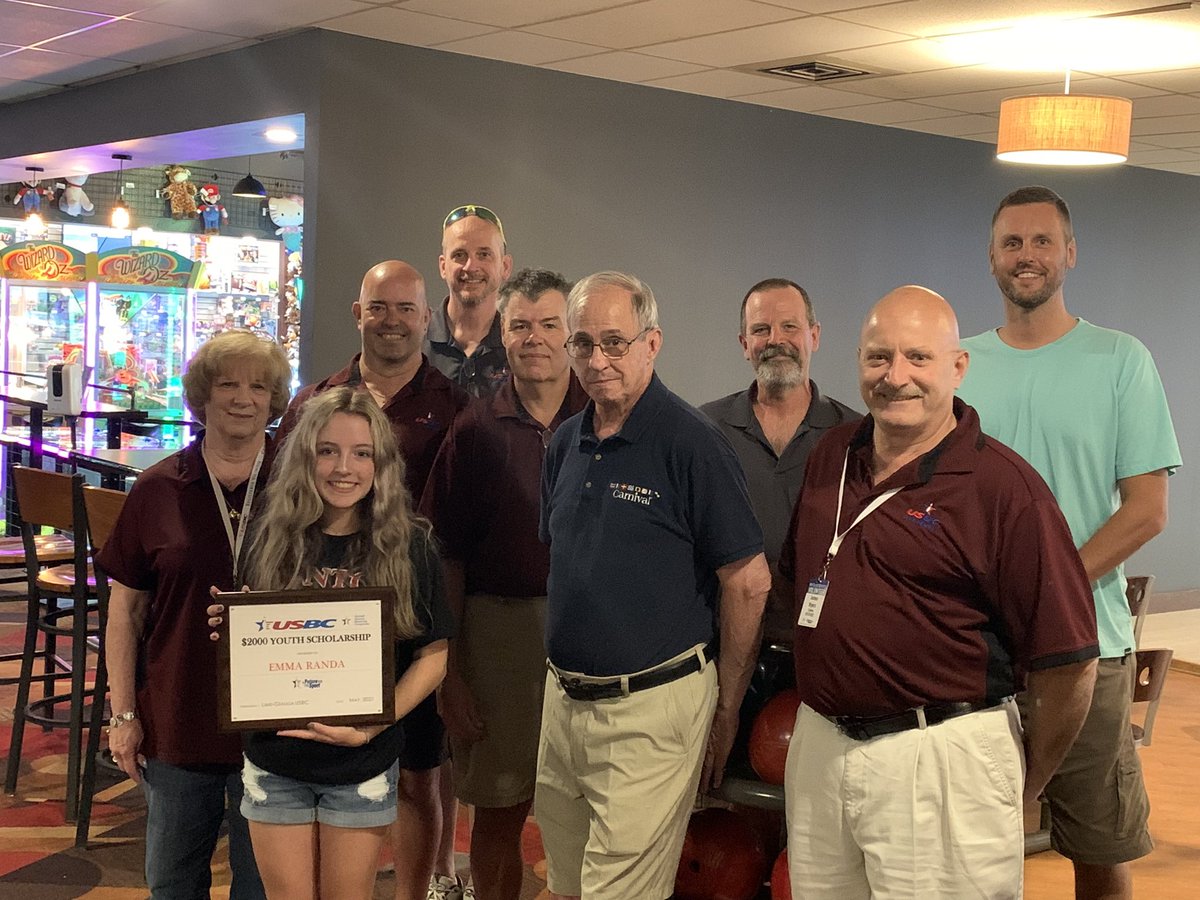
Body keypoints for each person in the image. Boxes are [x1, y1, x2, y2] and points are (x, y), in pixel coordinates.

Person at [780, 285, 1099, 898]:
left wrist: (1022, 783)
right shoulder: (831, 456)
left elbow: (1069, 664)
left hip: (941, 762)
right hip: (820, 749)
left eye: (918, 358)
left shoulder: (1005, 490)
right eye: (878, 357)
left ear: (958, 367)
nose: (895, 376)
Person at [958, 186, 1182, 900]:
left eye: (1042, 241)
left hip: (1090, 648)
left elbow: (1147, 511)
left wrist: (1049, 585)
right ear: (991, 257)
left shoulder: (1121, 360)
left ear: (1070, 254)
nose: (1028, 256)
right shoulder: (953, 364)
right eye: (1013, 243)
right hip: (972, 650)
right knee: (963, 846)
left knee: (1097, 848)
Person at [537, 271, 771, 900]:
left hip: (650, 709)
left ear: (652, 343)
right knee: (564, 883)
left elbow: (748, 581)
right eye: (582, 344)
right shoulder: (566, 443)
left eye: (615, 342)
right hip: (563, 704)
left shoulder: (692, 444)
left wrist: (727, 707)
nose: (597, 360)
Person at [207, 387, 451, 900]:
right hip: (276, 760)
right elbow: (254, 646)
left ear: (381, 464)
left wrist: (371, 728)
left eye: (362, 453)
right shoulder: (265, 537)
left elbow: (433, 658)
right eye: (327, 450)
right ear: (304, 457)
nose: (345, 467)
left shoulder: (411, 544)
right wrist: (233, 631)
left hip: (360, 764)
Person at [275, 260, 468, 900]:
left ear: (426, 317)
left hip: (412, 622)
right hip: (316, 642)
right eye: (378, 308)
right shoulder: (315, 400)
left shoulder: (455, 408)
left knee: (419, 777)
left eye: (406, 309)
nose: (391, 321)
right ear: (358, 314)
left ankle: (421, 887)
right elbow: (282, 507)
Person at [100, 330, 291, 899]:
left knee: (263, 888)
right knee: (173, 881)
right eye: (227, 383)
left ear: (274, 399)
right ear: (201, 395)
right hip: (179, 718)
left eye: (258, 386)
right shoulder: (158, 488)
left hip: (277, 723)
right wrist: (122, 714)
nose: (242, 397)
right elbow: (124, 614)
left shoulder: (300, 484)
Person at [420, 268, 587, 900]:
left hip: (594, 636)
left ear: (571, 334)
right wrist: (451, 670)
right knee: (498, 810)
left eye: (550, 325)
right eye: (520, 325)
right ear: (502, 333)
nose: (535, 339)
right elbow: (447, 558)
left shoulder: (608, 419)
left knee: (587, 809)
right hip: (500, 636)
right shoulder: (476, 430)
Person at [701, 278, 859, 647]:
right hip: (724, 642)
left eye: (790, 326)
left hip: (827, 646)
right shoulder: (705, 431)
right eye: (761, 329)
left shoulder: (855, 436)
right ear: (744, 345)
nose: (775, 340)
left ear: (814, 336)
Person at [425, 204, 514, 397]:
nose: (471, 266)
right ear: (443, 267)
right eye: (459, 255)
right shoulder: (414, 342)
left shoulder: (520, 345)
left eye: (484, 254)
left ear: (505, 267)